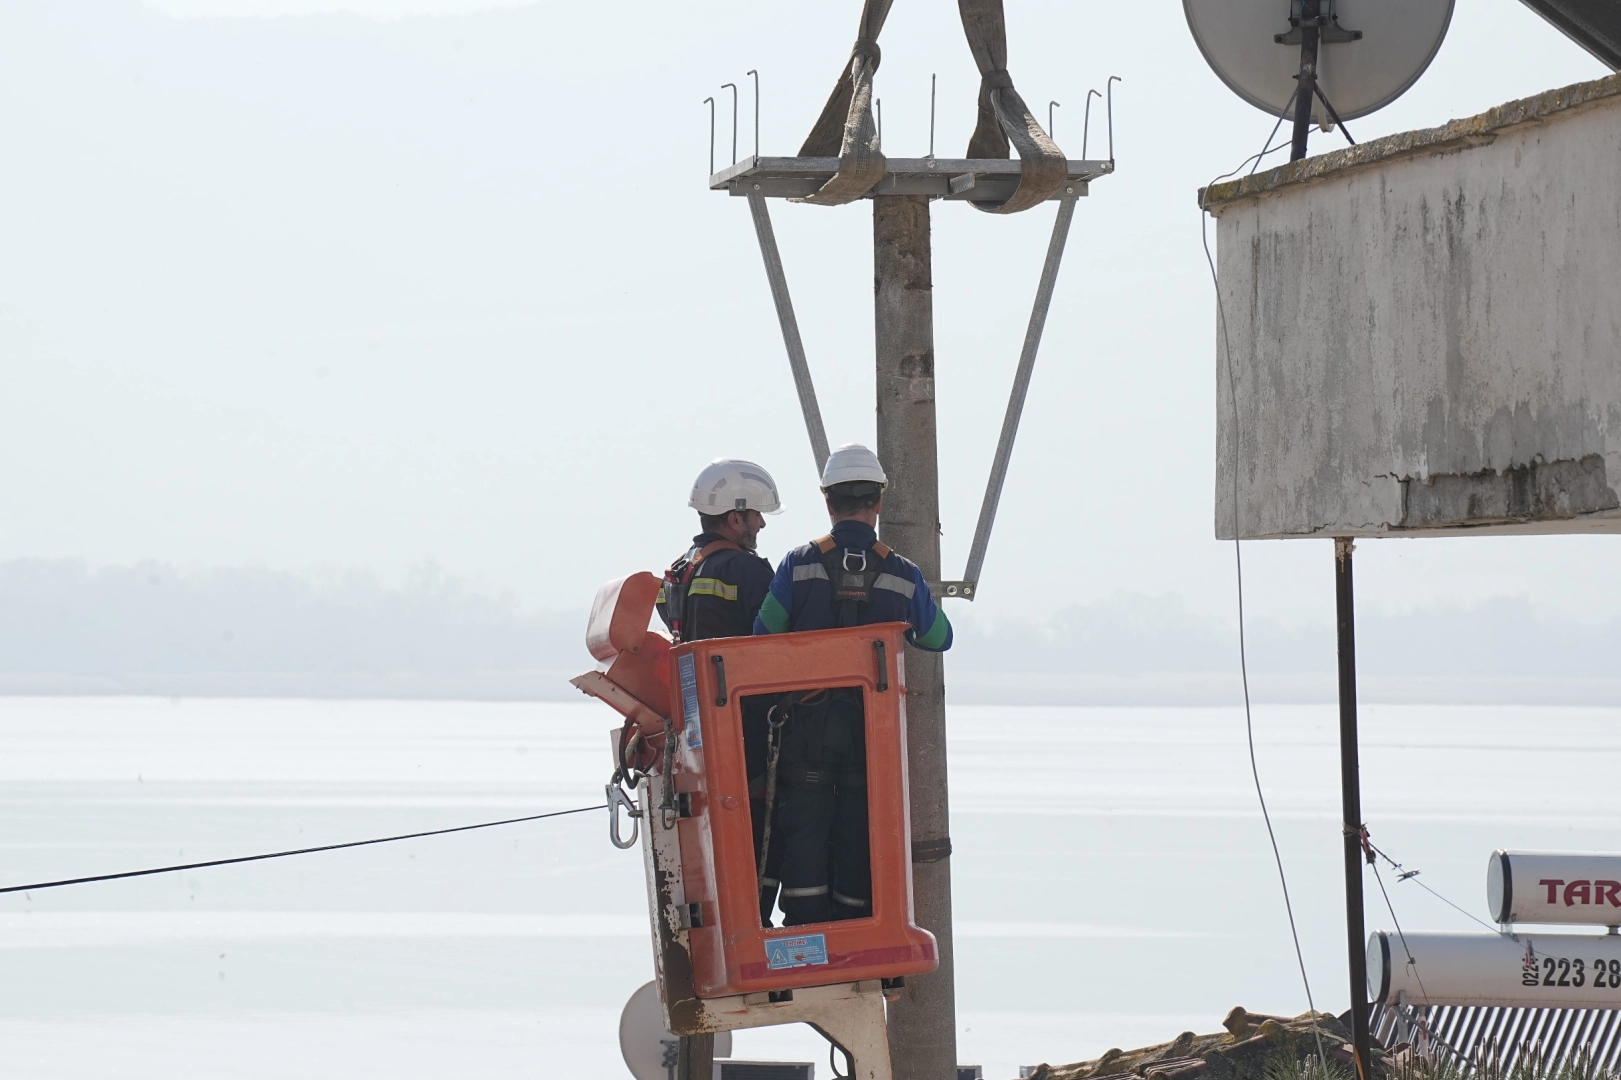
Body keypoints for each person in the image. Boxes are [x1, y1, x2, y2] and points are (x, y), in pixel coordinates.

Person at [752, 443, 952, 925]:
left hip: (804, 732)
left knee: (805, 825)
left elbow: (761, 638)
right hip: (872, 739)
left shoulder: (798, 564)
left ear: (828, 502)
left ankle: (805, 926)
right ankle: (855, 926)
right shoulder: (903, 575)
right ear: (878, 502)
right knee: (861, 827)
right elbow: (938, 637)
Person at [655, 457, 782, 924]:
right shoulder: (746, 571)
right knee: (762, 824)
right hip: (746, 723)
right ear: (735, 517)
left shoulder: (679, 571)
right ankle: (754, 920)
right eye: (756, 516)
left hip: (698, 726)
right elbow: (780, 641)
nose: (762, 523)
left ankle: (729, 913)